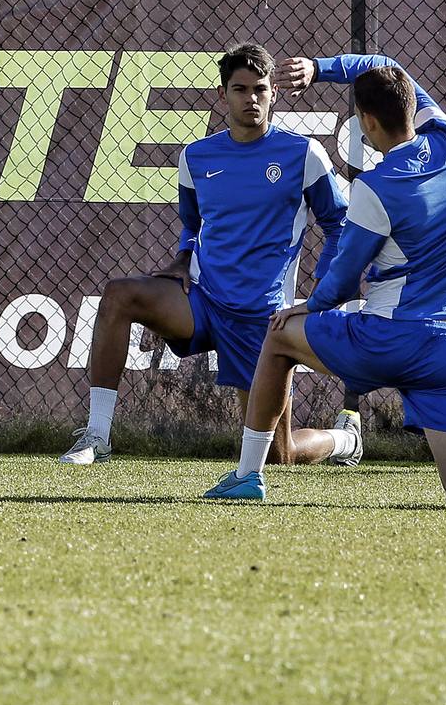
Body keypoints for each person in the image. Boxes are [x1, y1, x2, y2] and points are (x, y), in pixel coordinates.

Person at [204, 53, 446, 511]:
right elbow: (387, 63)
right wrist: (321, 68)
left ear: (366, 122)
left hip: (389, 337)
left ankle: (247, 475)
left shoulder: (376, 187)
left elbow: (341, 284)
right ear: (412, 107)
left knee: (278, 335)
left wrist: (304, 306)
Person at [61, 43, 360, 467]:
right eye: (240, 89)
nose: (251, 99)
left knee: (280, 455)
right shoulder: (197, 157)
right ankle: (96, 437)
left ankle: (343, 439)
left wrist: (320, 294)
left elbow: (339, 225)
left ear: (274, 92)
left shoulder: (303, 154)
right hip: (203, 301)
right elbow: (192, 224)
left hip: (264, 318)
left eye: (259, 89)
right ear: (223, 95)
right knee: (119, 295)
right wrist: (183, 258)